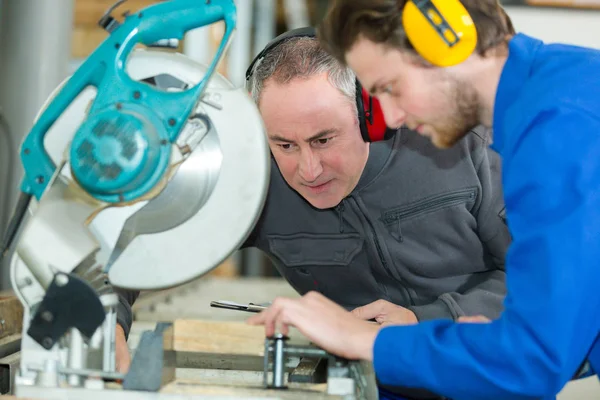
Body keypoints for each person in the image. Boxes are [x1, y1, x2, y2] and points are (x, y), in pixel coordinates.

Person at [117, 29, 510, 397]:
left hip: (486, 371)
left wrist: (425, 321)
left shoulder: (460, 147)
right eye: (285, 145)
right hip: (368, 383)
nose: (308, 170)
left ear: (368, 113)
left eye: (323, 140)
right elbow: (136, 241)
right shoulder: (253, 180)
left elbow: (545, 280)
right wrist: (110, 325)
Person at [248, 1, 600, 399]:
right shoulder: (563, 93)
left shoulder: (559, 129)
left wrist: (365, 341)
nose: (391, 118)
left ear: (447, 43)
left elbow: (531, 358)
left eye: (389, 89)